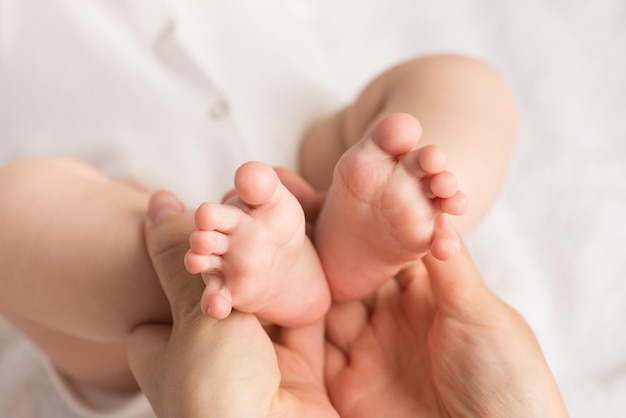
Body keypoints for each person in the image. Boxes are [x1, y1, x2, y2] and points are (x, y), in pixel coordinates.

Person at [0, 54, 516, 393]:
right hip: (149, 280)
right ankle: (251, 274)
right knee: (13, 209)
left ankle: (368, 224)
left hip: (326, 158)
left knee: (464, 83)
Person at [128, 189, 569, 417]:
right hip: (327, 160)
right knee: (465, 88)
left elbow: (139, 337)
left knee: (121, 272)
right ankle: (350, 245)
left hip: (229, 330)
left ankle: (299, 278)